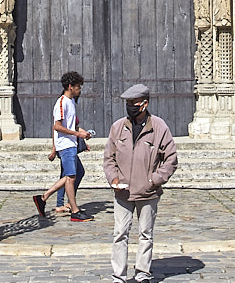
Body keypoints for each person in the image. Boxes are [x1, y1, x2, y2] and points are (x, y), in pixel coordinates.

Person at [104, 84, 179, 283]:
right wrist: (113, 178)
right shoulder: (118, 127)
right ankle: (118, 276)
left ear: (144, 104)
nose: (130, 107)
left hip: (148, 192)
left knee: (146, 233)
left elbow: (171, 159)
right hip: (123, 192)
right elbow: (109, 158)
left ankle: (143, 273)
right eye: (128, 104)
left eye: (133, 103)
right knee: (120, 233)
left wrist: (154, 180)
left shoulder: (159, 127)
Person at [32, 71, 94, 222]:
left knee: (77, 173)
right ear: (70, 86)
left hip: (71, 143)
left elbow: (72, 125)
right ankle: (74, 211)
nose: (80, 89)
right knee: (71, 177)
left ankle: (43, 197)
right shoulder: (61, 103)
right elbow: (57, 127)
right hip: (65, 146)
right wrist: (75, 135)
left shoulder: (71, 102)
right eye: (78, 86)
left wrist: (82, 133)